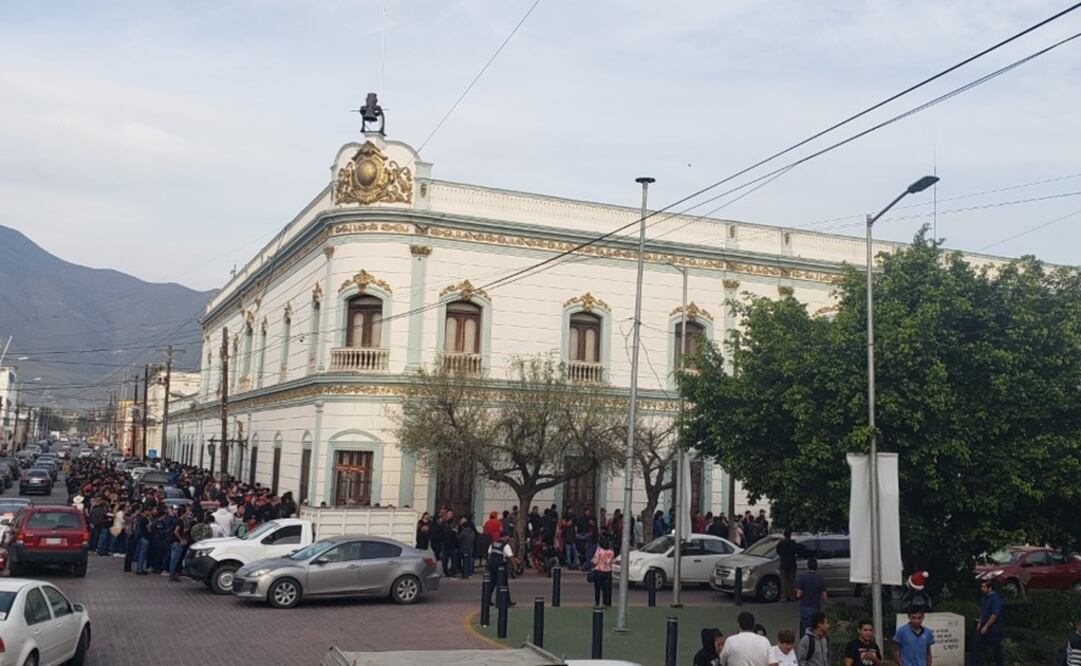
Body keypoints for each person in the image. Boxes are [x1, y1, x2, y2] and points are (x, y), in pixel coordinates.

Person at [975, 580, 1004, 666]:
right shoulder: (984, 598)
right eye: (981, 587)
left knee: (996, 651)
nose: (982, 589)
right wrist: (980, 623)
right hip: (984, 627)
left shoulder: (995, 599)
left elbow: (994, 614)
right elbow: (983, 612)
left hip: (994, 629)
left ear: (990, 588)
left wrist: (986, 626)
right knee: (981, 648)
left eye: (984, 587)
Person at [485, 531, 517, 607]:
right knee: (504, 584)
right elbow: (510, 556)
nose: (509, 538)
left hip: (491, 565)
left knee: (492, 583)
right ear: (505, 537)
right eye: (508, 536)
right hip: (500, 567)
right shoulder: (505, 545)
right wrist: (515, 566)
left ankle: (487, 600)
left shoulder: (493, 543)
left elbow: (489, 554)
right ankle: (505, 601)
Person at [796, 558, 827, 635]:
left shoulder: (803, 577)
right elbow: (825, 597)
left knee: (804, 629)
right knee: (814, 629)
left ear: (807, 566)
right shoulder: (820, 578)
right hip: (815, 607)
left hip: (805, 607)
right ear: (817, 567)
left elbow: (798, 595)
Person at [591, 534, 614, 607]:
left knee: (597, 588)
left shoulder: (599, 550)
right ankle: (607, 603)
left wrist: (594, 560)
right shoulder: (611, 552)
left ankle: (597, 603)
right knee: (607, 589)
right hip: (608, 571)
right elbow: (610, 562)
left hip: (599, 571)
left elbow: (595, 561)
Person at [776, 529, 798, 602]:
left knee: (784, 581)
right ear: (790, 535)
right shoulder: (793, 543)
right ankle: (792, 596)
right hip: (792, 563)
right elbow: (796, 551)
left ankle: (784, 597)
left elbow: (778, 551)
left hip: (784, 563)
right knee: (792, 581)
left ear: (784, 534)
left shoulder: (781, 543)